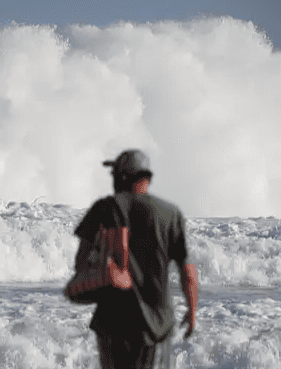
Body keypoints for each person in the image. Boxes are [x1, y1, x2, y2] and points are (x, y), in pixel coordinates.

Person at [73, 149, 197, 369]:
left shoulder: (104, 209)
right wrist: (192, 310)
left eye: (114, 174)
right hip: (155, 324)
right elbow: (187, 272)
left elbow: (81, 263)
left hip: (112, 322)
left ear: (123, 176)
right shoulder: (170, 214)